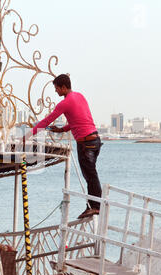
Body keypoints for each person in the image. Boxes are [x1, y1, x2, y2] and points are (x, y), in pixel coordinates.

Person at [23, 73, 103, 219]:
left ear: (64, 87)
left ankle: (96, 207)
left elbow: (46, 121)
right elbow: (78, 120)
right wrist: (61, 129)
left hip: (86, 143)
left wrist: (27, 136)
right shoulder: (80, 96)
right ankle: (92, 206)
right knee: (90, 174)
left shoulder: (65, 103)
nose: (56, 91)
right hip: (94, 140)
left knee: (90, 175)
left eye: (57, 88)